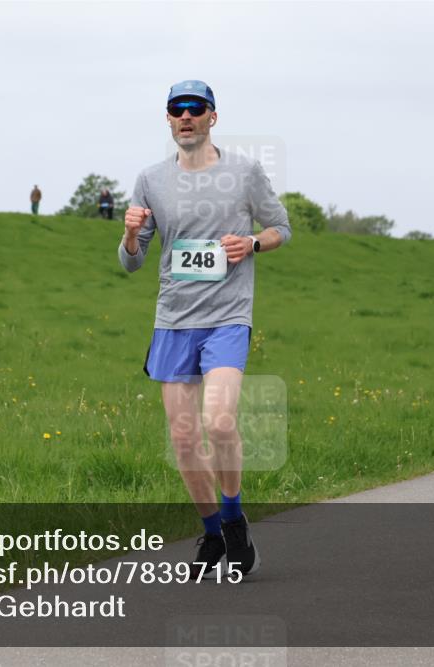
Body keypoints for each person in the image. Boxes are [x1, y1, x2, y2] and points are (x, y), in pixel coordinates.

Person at [118, 80, 290, 576]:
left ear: (212, 117)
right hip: (174, 319)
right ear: (168, 119)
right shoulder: (150, 179)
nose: (186, 116)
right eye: (177, 109)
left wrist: (254, 244)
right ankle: (212, 533)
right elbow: (132, 262)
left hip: (228, 316)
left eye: (195, 109)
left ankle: (235, 522)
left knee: (218, 421)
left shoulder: (244, 171)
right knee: (184, 437)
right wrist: (130, 233)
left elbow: (282, 228)